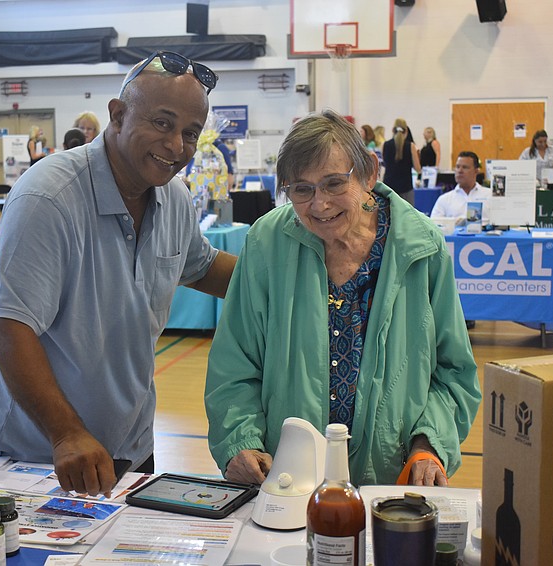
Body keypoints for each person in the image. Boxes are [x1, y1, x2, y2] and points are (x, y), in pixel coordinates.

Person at [0, 50, 236, 497]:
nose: (176, 146)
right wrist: (65, 432)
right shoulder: (48, 198)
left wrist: (292, 277)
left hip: (128, 447)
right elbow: (8, 331)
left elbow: (204, 267)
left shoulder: (170, 197)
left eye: (190, 133)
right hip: (39, 455)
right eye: (162, 123)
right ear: (117, 114)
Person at [205, 109, 480, 487]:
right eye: (301, 189)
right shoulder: (266, 243)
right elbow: (234, 365)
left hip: (389, 482)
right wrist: (240, 440)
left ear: (369, 171)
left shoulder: (421, 246)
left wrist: (428, 445)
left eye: (334, 183)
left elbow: (454, 373)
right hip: (286, 478)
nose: (319, 205)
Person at [430, 151, 492, 219]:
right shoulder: (444, 200)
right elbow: (433, 226)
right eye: (457, 167)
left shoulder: (490, 196)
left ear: (476, 171)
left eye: (465, 167)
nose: (460, 171)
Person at [382, 118, 421, 205]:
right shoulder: (411, 146)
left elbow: (384, 164)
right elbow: (418, 168)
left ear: (393, 130)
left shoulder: (385, 145)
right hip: (406, 188)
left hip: (389, 188)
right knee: (407, 217)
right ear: (406, 131)